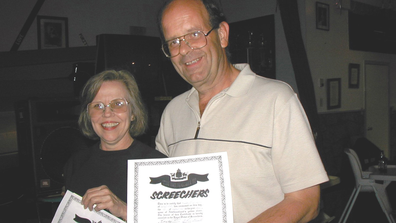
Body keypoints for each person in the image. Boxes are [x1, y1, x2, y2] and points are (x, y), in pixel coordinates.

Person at [155, 0, 329, 222]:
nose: (184, 50)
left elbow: (305, 200)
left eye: (195, 34)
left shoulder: (276, 100)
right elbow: (162, 200)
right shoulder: (172, 113)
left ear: (223, 35)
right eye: (174, 42)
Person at [64, 69, 167, 221]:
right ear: (88, 114)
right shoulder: (75, 164)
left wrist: (124, 211)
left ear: (133, 112)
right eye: (97, 106)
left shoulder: (158, 166)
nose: (107, 113)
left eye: (118, 104)